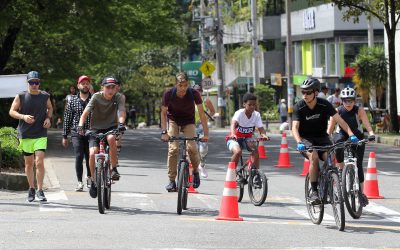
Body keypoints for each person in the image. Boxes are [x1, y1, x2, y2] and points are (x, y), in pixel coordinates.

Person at [292, 78, 358, 204]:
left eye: (308, 92)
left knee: (330, 157)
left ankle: (327, 182)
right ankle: (315, 192)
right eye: (303, 92)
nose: (305, 95)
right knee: (314, 157)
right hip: (305, 140)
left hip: (322, 138)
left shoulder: (324, 104)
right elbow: (294, 127)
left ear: (316, 92)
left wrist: (351, 134)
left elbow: (340, 120)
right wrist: (299, 142)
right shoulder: (299, 107)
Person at [78, 76, 126, 198]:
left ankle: (114, 168)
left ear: (116, 88)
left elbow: (121, 111)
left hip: (111, 127)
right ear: (102, 88)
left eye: (113, 87)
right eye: (108, 87)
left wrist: (121, 124)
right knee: (93, 153)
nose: (110, 90)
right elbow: (85, 113)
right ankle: (94, 180)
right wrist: (80, 126)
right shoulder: (96, 97)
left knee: (110, 139)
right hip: (95, 128)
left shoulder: (119, 97)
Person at [9, 71, 53, 202]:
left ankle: (40, 190)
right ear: (27, 83)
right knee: (28, 164)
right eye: (32, 82)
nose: (34, 85)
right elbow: (12, 111)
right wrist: (23, 117)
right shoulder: (21, 96)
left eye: (36, 82)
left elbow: (50, 108)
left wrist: (48, 119)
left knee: (39, 161)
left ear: (39, 83)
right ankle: (31, 188)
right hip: (26, 133)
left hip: (40, 133)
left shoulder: (45, 96)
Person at [160, 72, 209, 192]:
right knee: (173, 149)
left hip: (188, 121)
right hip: (173, 120)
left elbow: (202, 114)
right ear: (176, 84)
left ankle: (196, 172)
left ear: (188, 84)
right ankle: (172, 181)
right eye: (180, 85)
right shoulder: (168, 94)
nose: (183, 88)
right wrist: (164, 132)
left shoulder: (194, 93)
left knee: (192, 147)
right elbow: (163, 113)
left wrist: (206, 134)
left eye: (185, 85)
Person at [327, 87, 375, 207]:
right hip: (341, 135)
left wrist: (371, 134)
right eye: (346, 101)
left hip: (357, 136)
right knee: (338, 147)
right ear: (342, 101)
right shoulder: (337, 111)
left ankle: (361, 194)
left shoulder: (359, 110)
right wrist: (326, 139)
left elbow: (366, 124)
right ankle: (340, 174)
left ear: (354, 101)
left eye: (351, 101)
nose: (348, 103)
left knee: (358, 165)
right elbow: (331, 128)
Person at [62, 75, 92, 191]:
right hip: (76, 132)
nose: (85, 85)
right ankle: (79, 182)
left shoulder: (94, 99)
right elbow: (67, 118)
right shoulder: (72, 100)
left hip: (90, 132)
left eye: (87, 83)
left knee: (90, 156)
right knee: (79, 155)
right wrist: (65, 135)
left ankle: (89, 176)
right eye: (83, 83)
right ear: (78, 85)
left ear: (89, 86)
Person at [226, 93, 269, 172]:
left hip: (247, 138)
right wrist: (232, 134)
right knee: (238, 152)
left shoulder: (256, 115)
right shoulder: (239, 113)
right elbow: (233, 124)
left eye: (254, 105)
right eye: (250, 105)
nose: (252, 107)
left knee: (255, 151)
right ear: (244, 104)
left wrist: (263, 135)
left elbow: (261, 128)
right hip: (234, 139)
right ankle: (231, 172)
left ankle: (255, 174)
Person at [193, 84, 215, 178]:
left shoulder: (206, 100)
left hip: (202, 126)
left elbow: (212, 111)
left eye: (199, 91)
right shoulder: (188, 101)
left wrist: (205, 119)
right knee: (191, 149)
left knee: (203, 148)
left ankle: (202, 165)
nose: (198, 93)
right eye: (195, 91)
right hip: (190, 126)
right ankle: (191, 171)